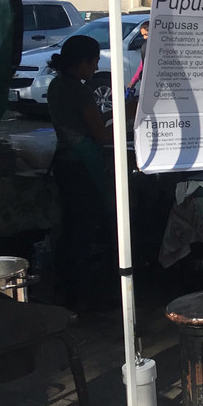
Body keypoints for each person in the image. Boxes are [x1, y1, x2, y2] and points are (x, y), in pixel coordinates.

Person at [46, 34, 115, 310]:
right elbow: (100, 135)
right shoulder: (79, 90)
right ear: (82, 62)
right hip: (81, 167)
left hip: (64, 163)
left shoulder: (56, 85)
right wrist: (128, 116)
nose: (97, 68)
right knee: (85, 229)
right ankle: (83, 294)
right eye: (95, 61)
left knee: (71, 228)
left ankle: (67, 289)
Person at [124, 20, 150, 100]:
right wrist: (133, 81)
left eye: (146, 34)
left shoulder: (148, 46)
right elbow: (142, 64)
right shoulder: (145, 47)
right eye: (143, 35)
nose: (144, 38)